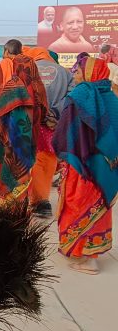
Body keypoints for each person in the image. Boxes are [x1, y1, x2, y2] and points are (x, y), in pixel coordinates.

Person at [53, 57, 118, 275]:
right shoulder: (111, 97)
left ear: (90, 72)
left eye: (79, 71)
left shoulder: (81, 94)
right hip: (105, 164)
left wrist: (62, 149)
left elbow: (66, 129)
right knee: (99, 205)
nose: (76, 74)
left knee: (77, 202)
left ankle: (88, 259)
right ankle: (91, 251)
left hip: (82, 162)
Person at [0, 40, 47, 204]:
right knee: (24, 163)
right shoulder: (36, 78)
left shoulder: (10, 77)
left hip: (11, 129)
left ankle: (10, 202)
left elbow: (0, 103)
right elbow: (42, 105)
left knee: (11, 160)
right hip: (30, 129)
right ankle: (22, 202)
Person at [22, 46, 73, 218]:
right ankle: (42, 200)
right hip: (52, 126)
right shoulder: (65, 73)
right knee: (47, 161)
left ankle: (30, 199)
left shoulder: (27, 69)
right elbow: (72, 97)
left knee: (27, 160)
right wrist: (55, 113)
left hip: (29, 123)